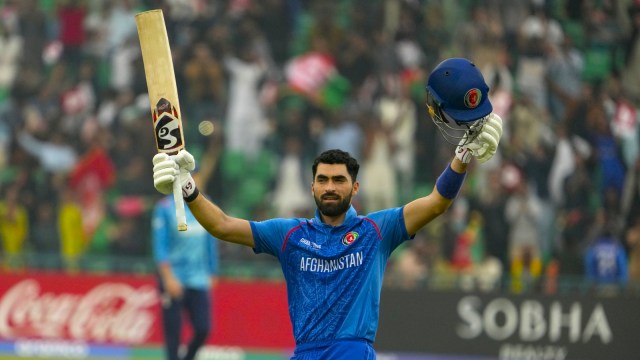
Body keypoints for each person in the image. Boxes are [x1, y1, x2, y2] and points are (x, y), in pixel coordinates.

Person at [151, 58, 502, 359]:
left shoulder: (376, 231)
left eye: (338, 180)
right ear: (313, 186)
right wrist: (188, 187)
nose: (330, 187)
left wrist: (462, 157)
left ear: (355, 187)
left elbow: (437, 202)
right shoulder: (290, 235)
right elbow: (224, 226)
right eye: (323, 180)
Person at [151, 168, 219, 360]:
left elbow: (210, 240)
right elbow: (160, 247)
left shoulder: (206, 204)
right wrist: (168, 278)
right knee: (173, 336)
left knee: (203, 328)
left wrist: (213, 271)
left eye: (196, 175)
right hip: (174, 277)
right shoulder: (165, 208)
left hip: (198, 278)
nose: (196, 179)